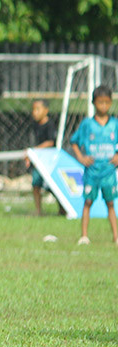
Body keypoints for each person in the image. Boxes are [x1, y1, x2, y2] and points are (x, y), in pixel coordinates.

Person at [69, 85, 118, 246]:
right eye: (100, 102)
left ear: (111, 103)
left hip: (109, 172)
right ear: (93, 103)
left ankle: (116, 237)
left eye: (106, 102)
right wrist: (81, 158)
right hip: (92, 171)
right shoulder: (87, 124)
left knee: (110, 203)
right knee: (88, 202)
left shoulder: (115, 124)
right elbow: (74, 141)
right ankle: (84, 236)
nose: (103, 105)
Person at [25, 99, 64, 216]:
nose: (35, 112)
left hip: (49, 161)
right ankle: (38, 210)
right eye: (33, 110)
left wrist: (35, 150)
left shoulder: (50, 125)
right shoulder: (34, 125)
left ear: (46, 110)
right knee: (36, 184)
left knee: (54, 186)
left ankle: (62, 208)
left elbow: (50, 142)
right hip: (39, 160)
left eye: (38, 109)